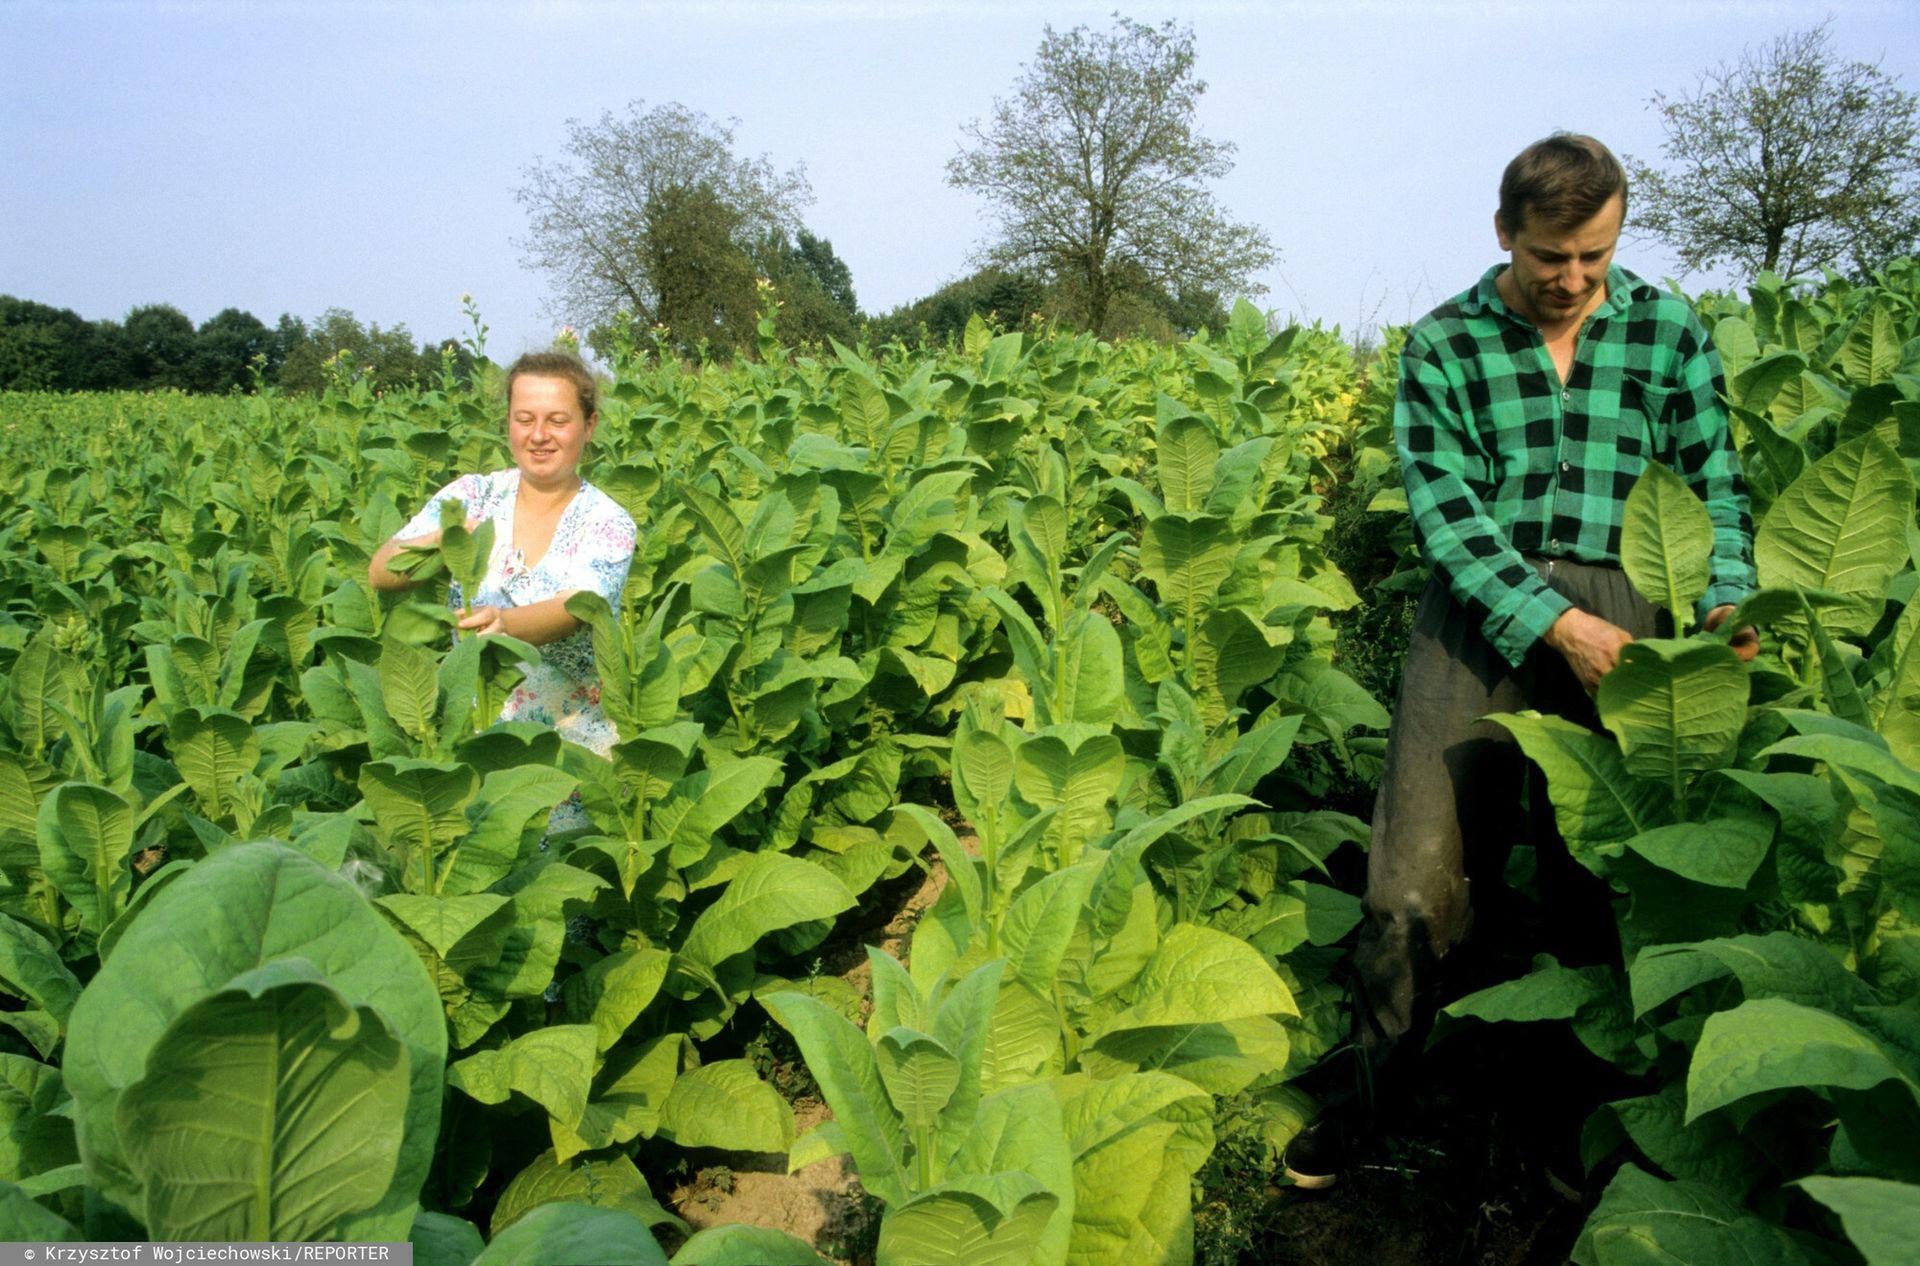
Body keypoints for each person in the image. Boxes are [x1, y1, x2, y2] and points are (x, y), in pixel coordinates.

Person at [1282, 134, 1758, 1190]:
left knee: (1602, 874)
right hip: (1483, 609)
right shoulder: (1446, 343)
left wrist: (1728, 595)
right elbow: (1447, 518)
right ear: (1505, 232)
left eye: (1595, 255)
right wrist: (1557, 622)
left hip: (1631, 609)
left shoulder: (1668, 330)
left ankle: (1582, 1125)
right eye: (1550, 255)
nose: (1573, 279)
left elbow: (1714, 485)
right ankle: (1371, 1097)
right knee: (1413, 877)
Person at [369, 350, 637, 821]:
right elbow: (381, 571)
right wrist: (442, 541)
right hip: (474, 740)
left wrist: (504, 623)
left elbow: (576, 607)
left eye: (558, 420)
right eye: (524, 419)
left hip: (570, 754)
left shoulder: (608, 521)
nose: (539, 435)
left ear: (589, 425)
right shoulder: (473, 495)